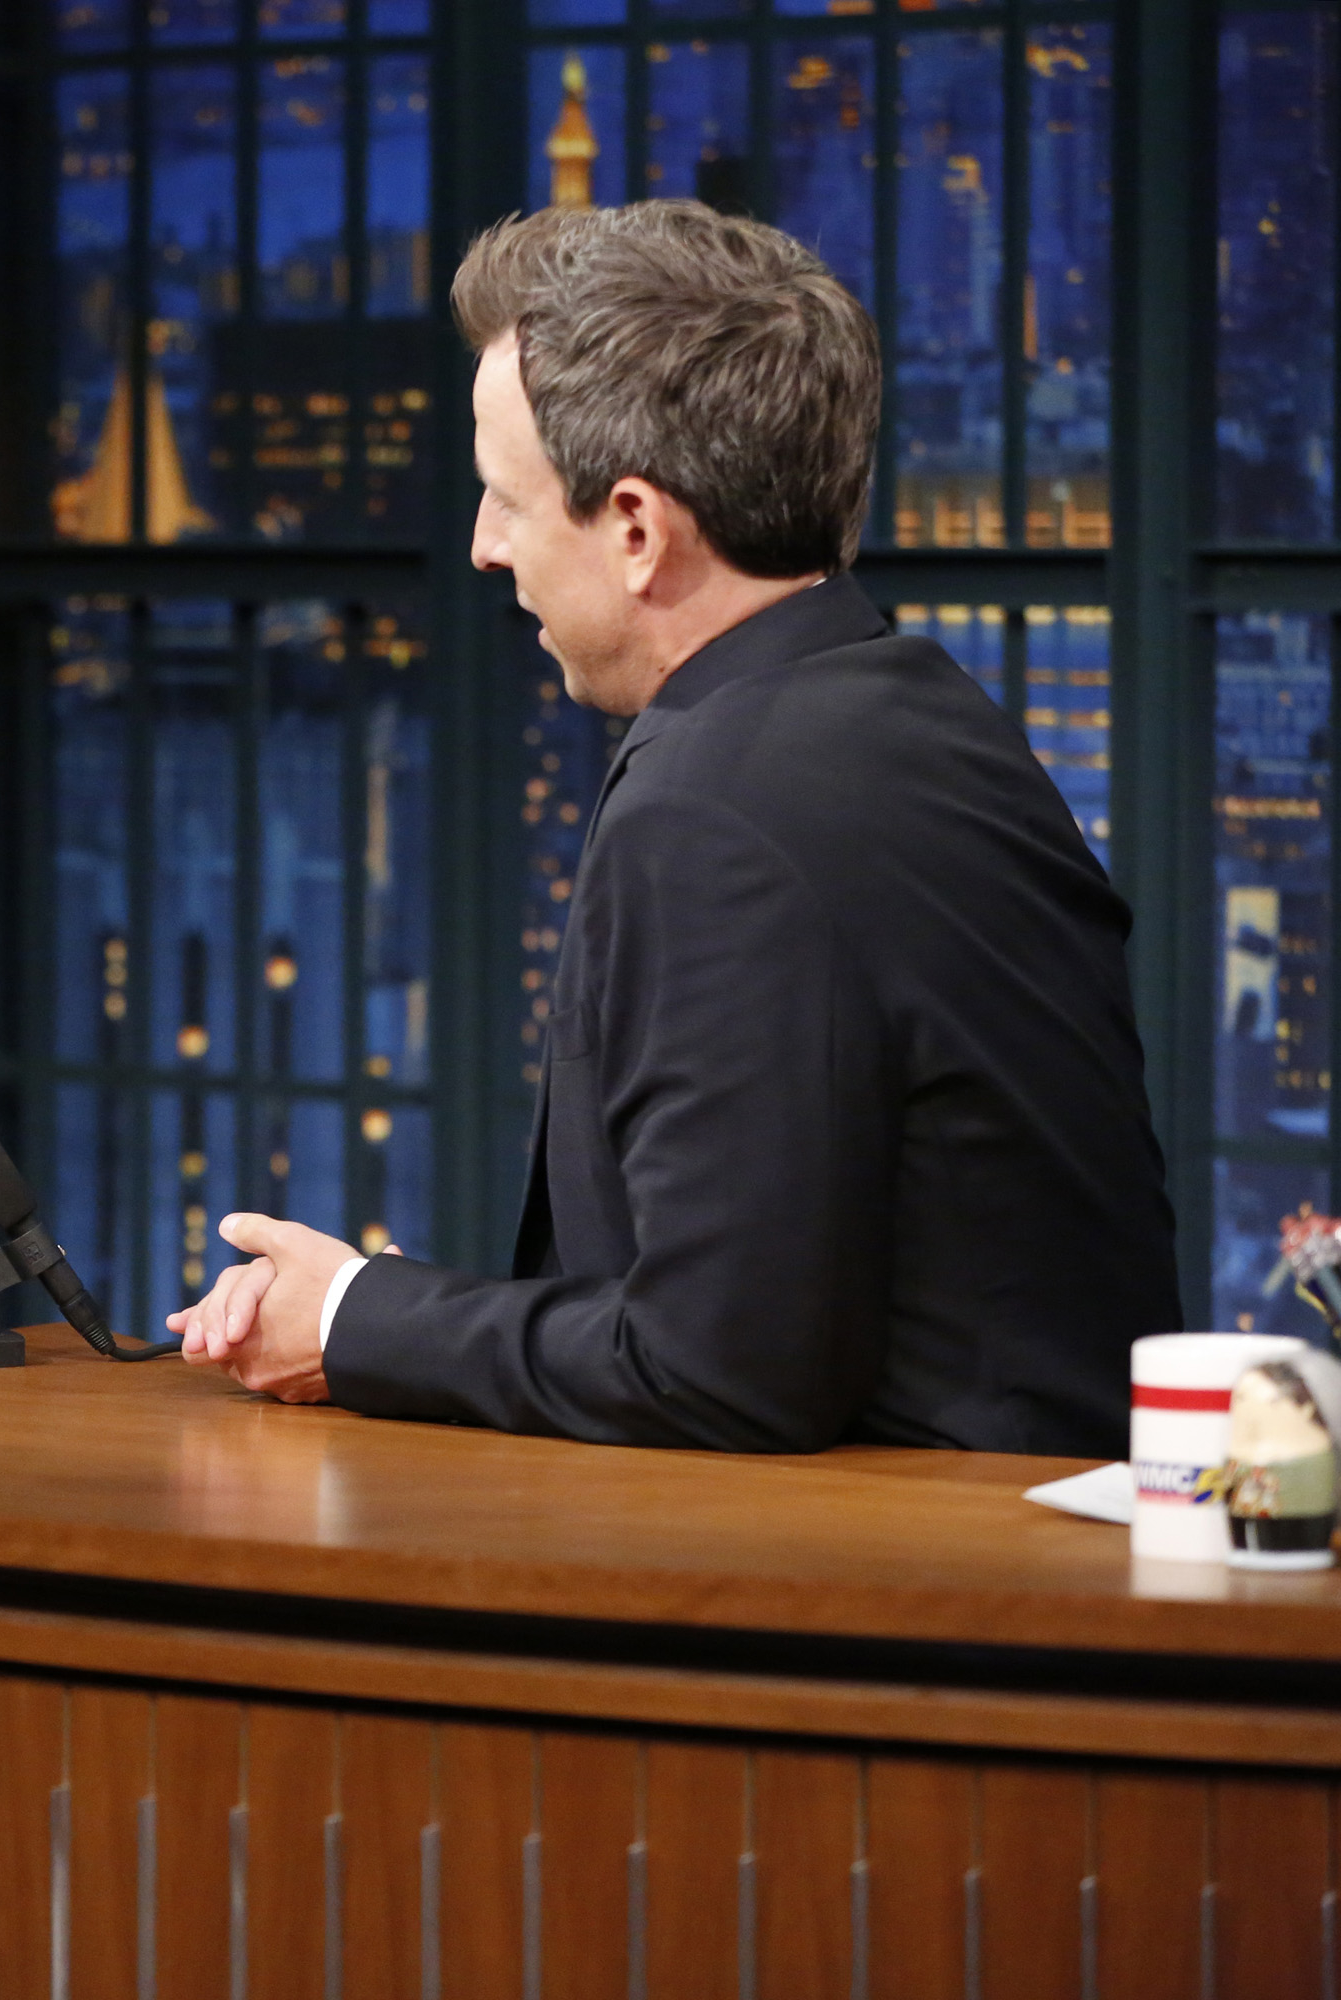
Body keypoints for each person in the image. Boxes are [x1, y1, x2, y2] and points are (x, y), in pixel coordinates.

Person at [170, 202, 1179, 1458]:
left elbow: (719, 1370)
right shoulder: (916, 716)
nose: (485, 549)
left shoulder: (721, 807)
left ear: (638, 529)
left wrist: (353, 1313)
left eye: (505, 500)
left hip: (902, 1605)